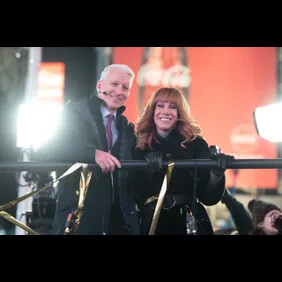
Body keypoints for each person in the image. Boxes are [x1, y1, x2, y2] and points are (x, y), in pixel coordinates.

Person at [37, 64, 140, 235]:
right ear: (100, 86)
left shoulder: (127, 128)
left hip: (116, 223)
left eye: (125, 87)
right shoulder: (73, 113)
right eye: (114, 84)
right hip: (77, 220)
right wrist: (92, 154)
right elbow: (45, 152)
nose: (119, 91)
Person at [131, 87, 235, 235]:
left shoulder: (196, 144)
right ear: (152, 111)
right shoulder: (139, 145)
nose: (165, 111)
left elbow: (208, 197)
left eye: (172, 107)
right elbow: (135, 194)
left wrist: (216, 173)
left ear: (179, 113)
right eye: (160, 105)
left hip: (188, 220)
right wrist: (148, 170)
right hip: (152, 221)